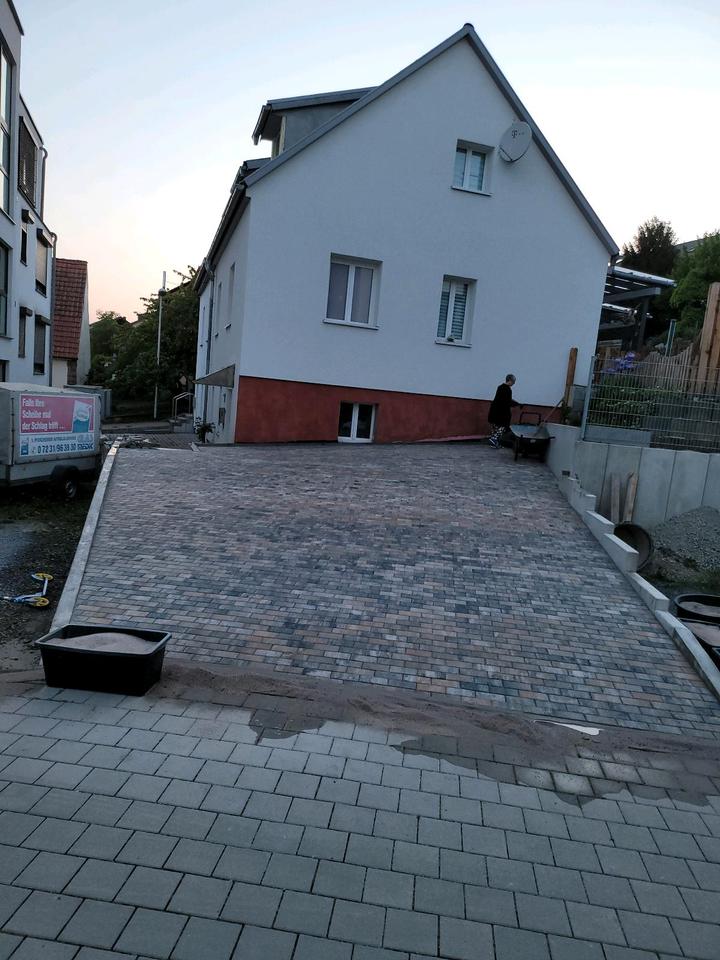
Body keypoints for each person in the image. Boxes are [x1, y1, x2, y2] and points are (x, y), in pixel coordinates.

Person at [488, 374, 521, 448]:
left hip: (494, 410)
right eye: (514, 381)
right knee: (503, 426)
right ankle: (494, 439)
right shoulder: (507, 389)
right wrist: (517, 404)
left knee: (496, 426)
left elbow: (501, 399)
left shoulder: (500, 387)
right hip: (501, 412)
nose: (514, 383)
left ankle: (495, 443)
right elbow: (508, 401)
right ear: (510, 380)